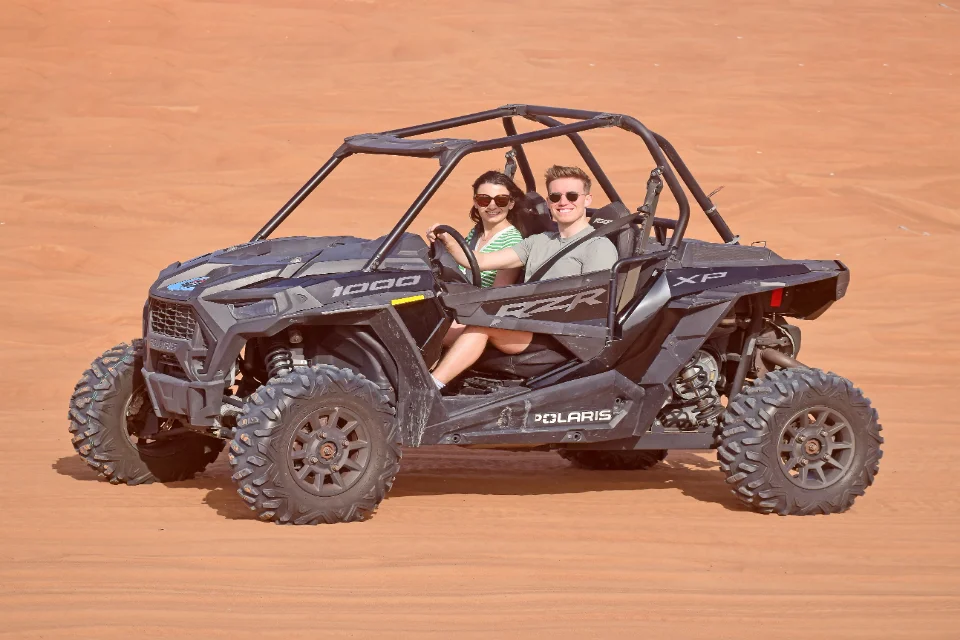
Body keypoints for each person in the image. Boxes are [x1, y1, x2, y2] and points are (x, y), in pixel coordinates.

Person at [426, 165, 619, 389]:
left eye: (572, 195)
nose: (563, 202)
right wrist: (447, 240)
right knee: (442, 329)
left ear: (587, 200)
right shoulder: (539, 241)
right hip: (525, 322)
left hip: (560, 338)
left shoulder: (597, 247)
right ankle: (404, 385)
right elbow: (480, 261)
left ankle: (429, 390)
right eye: (555, 196)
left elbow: (595, 306)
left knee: (482, 326)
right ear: (548, 202)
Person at [440, 171, 528, 345]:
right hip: (458, 304)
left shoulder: (512, 241)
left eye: (501, 200)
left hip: (478, 315)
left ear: (511, 204)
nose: (492, 206)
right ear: (475, 202)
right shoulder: (476, 232)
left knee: (420, 336)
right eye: (484, 200)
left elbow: (497, 296)